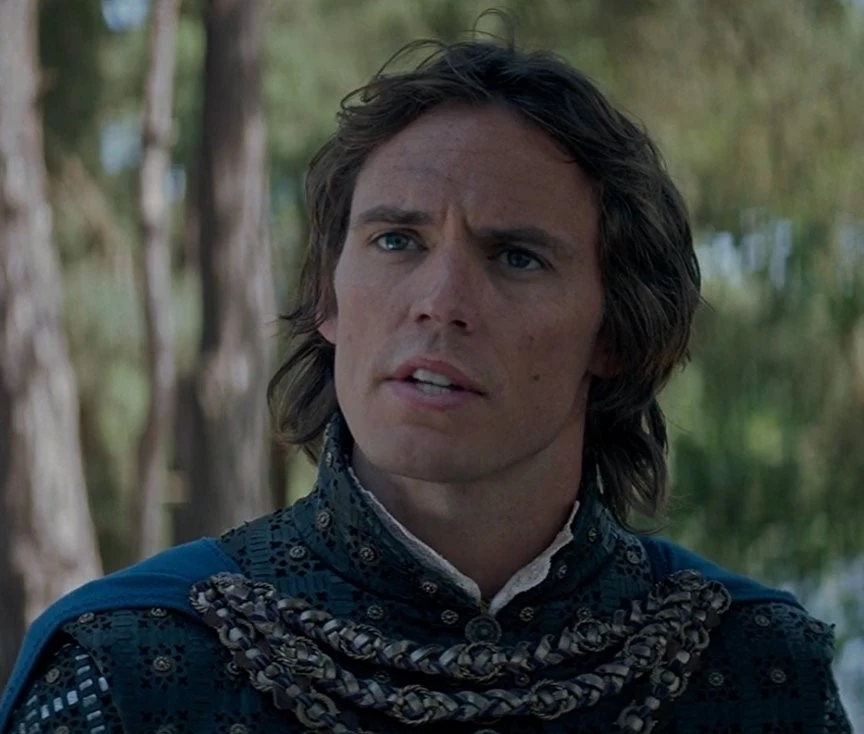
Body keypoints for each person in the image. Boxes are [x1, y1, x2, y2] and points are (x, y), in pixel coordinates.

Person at [0, 28, 852, 734]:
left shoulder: (755, 672)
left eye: (515, 256)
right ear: (329, 299)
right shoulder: (130, 667)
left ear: (616, 332)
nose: (440, 302)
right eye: (396, 241)